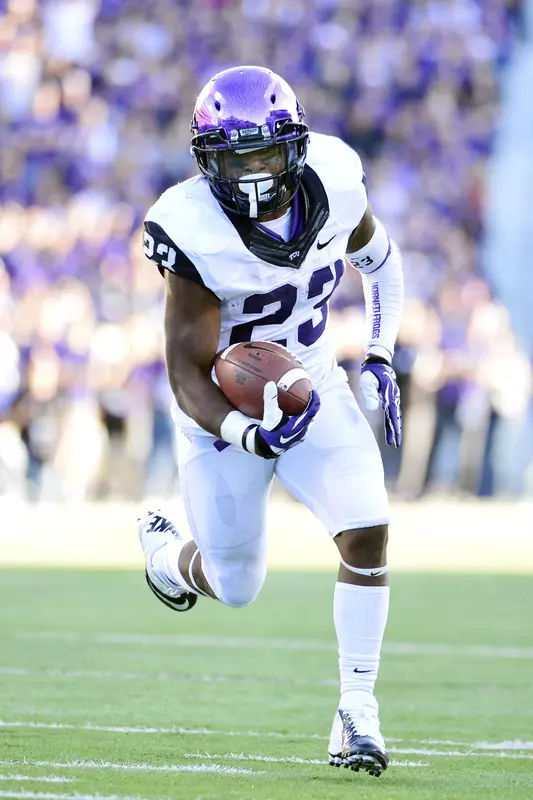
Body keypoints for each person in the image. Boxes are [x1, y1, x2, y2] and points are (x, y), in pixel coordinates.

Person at [139, 65, 403, 777]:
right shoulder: (188, 226)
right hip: (221, 412)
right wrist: (245, 433)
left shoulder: (337, 176)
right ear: (207, 164)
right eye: (235, 160)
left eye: (263, 155)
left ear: (294, 146)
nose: (253, 175)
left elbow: (379, 262)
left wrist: (378, 353)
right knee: (235, 584)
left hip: (310, 382)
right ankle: (169, 555)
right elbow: (187, 370)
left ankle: (356, 709)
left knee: (367, 523)